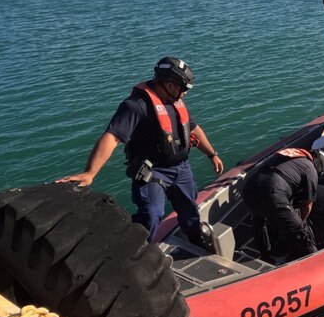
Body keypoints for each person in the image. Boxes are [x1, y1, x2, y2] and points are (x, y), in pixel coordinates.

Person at [58, 56, 224, 242]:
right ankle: (138, 254)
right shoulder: (136, 106)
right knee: (151, 215)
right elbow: (112, 137)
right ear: (169, 85)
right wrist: (90, 173)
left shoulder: (175, 102)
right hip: (154, 171)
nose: (185, 93)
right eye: (183, 88)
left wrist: (212, 154)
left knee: (189, 208)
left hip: (181, 168)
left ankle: (195, 238)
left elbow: (192, 128)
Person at [242, 148, 324, 261]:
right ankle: (314, 262)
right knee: (302, 231)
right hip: (272, 193)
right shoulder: (310, 168)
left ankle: (264, 256)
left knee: (259, 222)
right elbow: (307, 204)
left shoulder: (289, 155)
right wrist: (300, 222)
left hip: (249, 189)